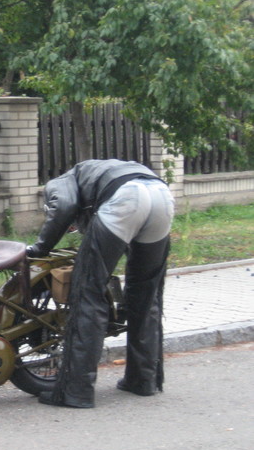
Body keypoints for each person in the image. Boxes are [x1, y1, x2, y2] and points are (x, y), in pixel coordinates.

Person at [26, 158, 175, 408]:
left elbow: (64, 207)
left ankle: (76, 391)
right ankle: (143, 380)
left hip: (126, 198)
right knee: (146, 295)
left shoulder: (62, 181)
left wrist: (40, 248)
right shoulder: (100, 170)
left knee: (87, 294)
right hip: (161, 195)